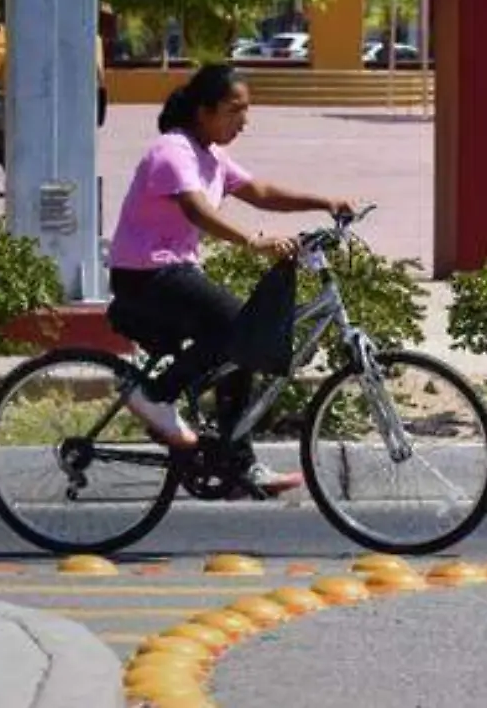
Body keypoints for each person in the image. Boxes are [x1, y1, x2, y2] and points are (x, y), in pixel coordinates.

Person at [108, 64, 353, 498]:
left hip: (174, 272)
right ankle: (154, 395)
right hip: (146, 275)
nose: (244, 120)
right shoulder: (173, 150)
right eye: (234, 110)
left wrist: (326, 201)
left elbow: (260, 192)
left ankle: (238, 464)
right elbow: (196, 210)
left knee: (244, 350)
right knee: (238, 325)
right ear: (204, 111)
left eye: (246, 110)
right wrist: (253, 241)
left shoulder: (211, 155)